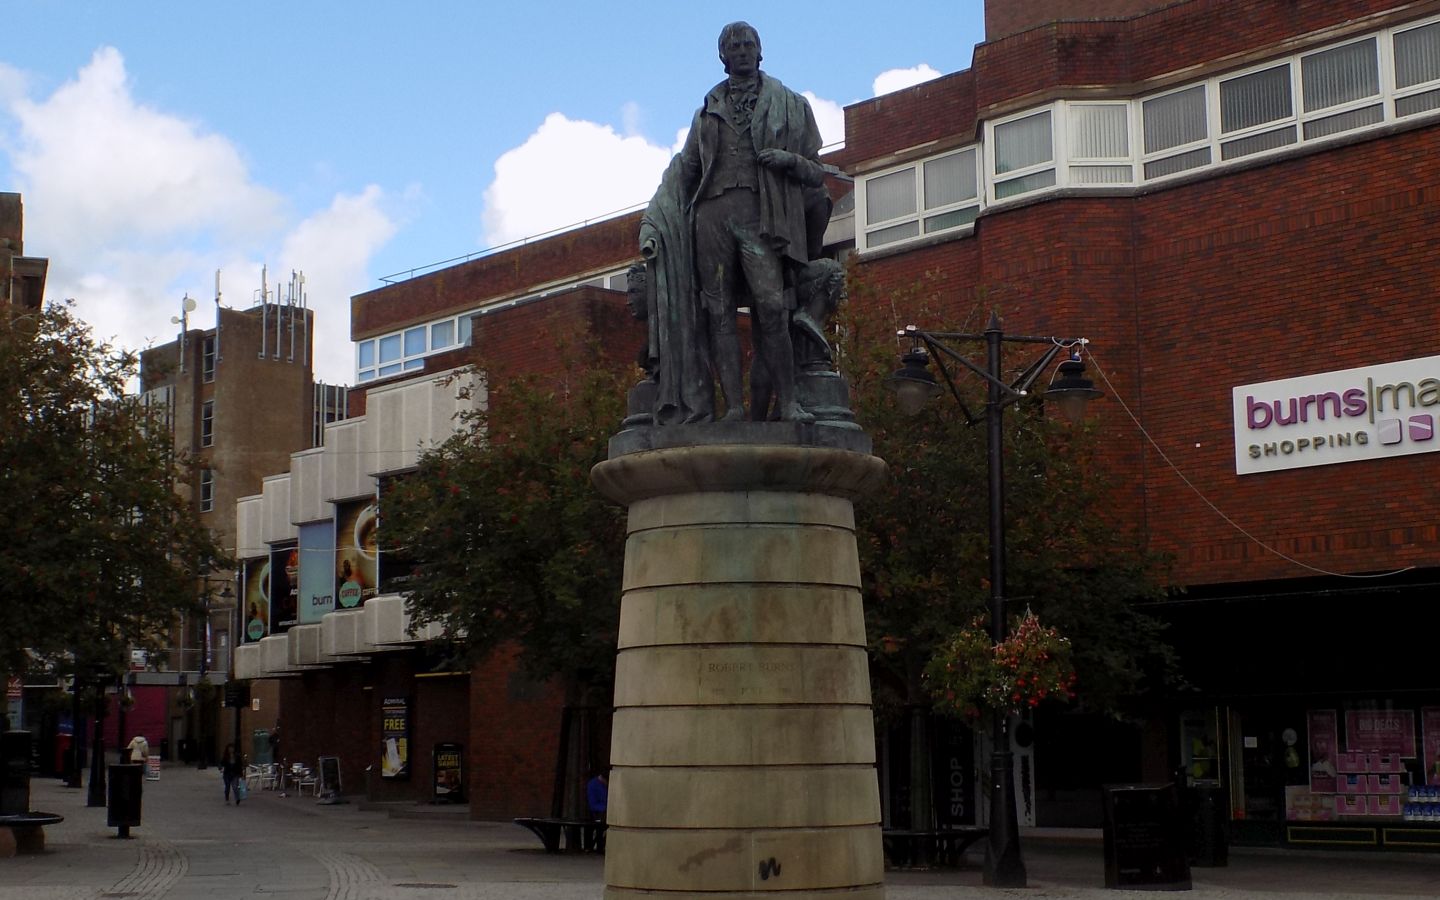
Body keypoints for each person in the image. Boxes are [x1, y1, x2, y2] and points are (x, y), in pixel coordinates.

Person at [641, 21, 828, 424]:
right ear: (722, 57)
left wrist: (787, 160)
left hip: (761, 214)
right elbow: (685, 171)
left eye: (748, 44)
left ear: (760, 52)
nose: (741, 50)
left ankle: (790, 401)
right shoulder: (707, 112)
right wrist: (654, 220)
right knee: (719, 313)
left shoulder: (790, 104)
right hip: (712, 215)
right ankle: (734, 409)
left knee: (773, 306)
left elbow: (817, 172)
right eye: (733, 45)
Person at [585, 772, 608, 852]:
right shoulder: (593, 785)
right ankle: (599, 846)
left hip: (601, 810)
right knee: (600, 826)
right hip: (596, 812)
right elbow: (593, 803)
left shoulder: (601, 785)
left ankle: (600, 845)